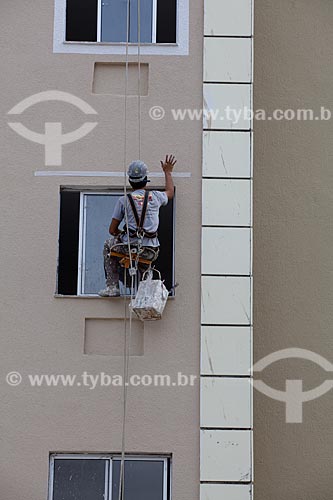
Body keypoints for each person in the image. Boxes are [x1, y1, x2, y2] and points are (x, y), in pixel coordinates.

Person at [99, 154, 176, 297]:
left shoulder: (124, 201)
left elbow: (112, 230)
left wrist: (122, 235)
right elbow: (170, 192)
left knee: (108, 245)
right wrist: (167, 172)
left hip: (129, 248)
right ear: (146, 180)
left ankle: (112, 287)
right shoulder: (156, 197)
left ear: (130, 181)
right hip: (150, 251)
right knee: (143, 262)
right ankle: (144, 289)